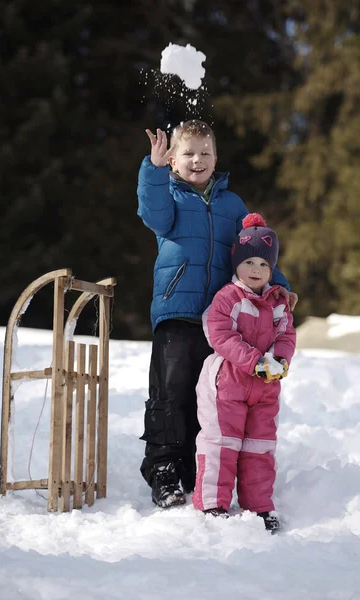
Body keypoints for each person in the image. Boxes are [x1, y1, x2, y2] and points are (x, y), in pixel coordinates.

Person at [137, 119, 298, 509]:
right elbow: (152, 213)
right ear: (173, 159)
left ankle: (195, 465)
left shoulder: (231, 204)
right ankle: (163, 469)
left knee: (205, 395)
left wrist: (280, 285)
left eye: (205, 153)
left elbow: (249, 252)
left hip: (221, 320)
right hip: (176, 311)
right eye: (188, 154)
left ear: (216, 158)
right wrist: (154, 170)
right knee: (170, 392)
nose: (198, 160)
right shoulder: (169, 195)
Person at [192, 213, 296, 532]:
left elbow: (286, 335)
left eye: (264, 265)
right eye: (249, 262)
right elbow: (221, 336)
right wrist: (255, 361)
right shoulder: (228, 298)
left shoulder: (278, 304)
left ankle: (259, 505)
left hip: (265, 388)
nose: (256, 270)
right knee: (222, 443)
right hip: (228, 383)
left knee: (259, 447)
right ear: (237, 263)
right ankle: (213, 502)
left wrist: (279, 360)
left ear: (271, 269)